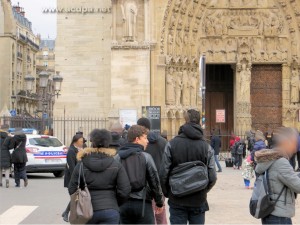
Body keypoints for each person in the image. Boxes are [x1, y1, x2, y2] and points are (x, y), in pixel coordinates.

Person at [160, 109, 217, 225]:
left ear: (185, 121)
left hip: (177, 197)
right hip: (198, 198)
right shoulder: (206, 147)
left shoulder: (171, 144)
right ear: (199, 122)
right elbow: (213, 176)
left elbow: (163, 173)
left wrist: (168, 192)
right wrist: (203, 189)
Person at [68, 129, 131, 224]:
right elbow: (125, 190)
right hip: (110, 209)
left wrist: (81, 201)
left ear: (92, 144)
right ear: (107, 144)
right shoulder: (116, 164)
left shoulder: (81, 164)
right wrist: (114, 202)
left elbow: (72, 188)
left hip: (86, 210)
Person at [116, 125, 164, 224]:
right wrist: (159, 202)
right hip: (142, 203)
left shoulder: (117, 157)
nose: (147, 141)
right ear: (137, 139)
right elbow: (154, 181)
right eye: (145, 138)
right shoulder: (146, 157)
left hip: (122, 203)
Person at [255, 127, 300, 225]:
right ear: (286, 142)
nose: (295, 146)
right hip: (279, 216)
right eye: (294, 142)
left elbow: (286, 177)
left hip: (271, 213)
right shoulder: (281, 162)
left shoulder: (271, 159)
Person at [137, 117, 168, 225]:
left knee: (148, 213)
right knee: (160, 212)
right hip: (159, 181)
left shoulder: (139, 142)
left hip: (144, 183)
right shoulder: (163, 142)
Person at [62, 134, 84, 222]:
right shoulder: (71, 151)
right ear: (76, 141)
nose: (82, 142)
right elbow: (72, 168)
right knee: (75, 197)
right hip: (72, 179)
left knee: (76, 197)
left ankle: (67, 213)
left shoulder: (79, 150)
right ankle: (67, 213)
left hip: (78, 178)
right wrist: (76, 181)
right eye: (81, 141)